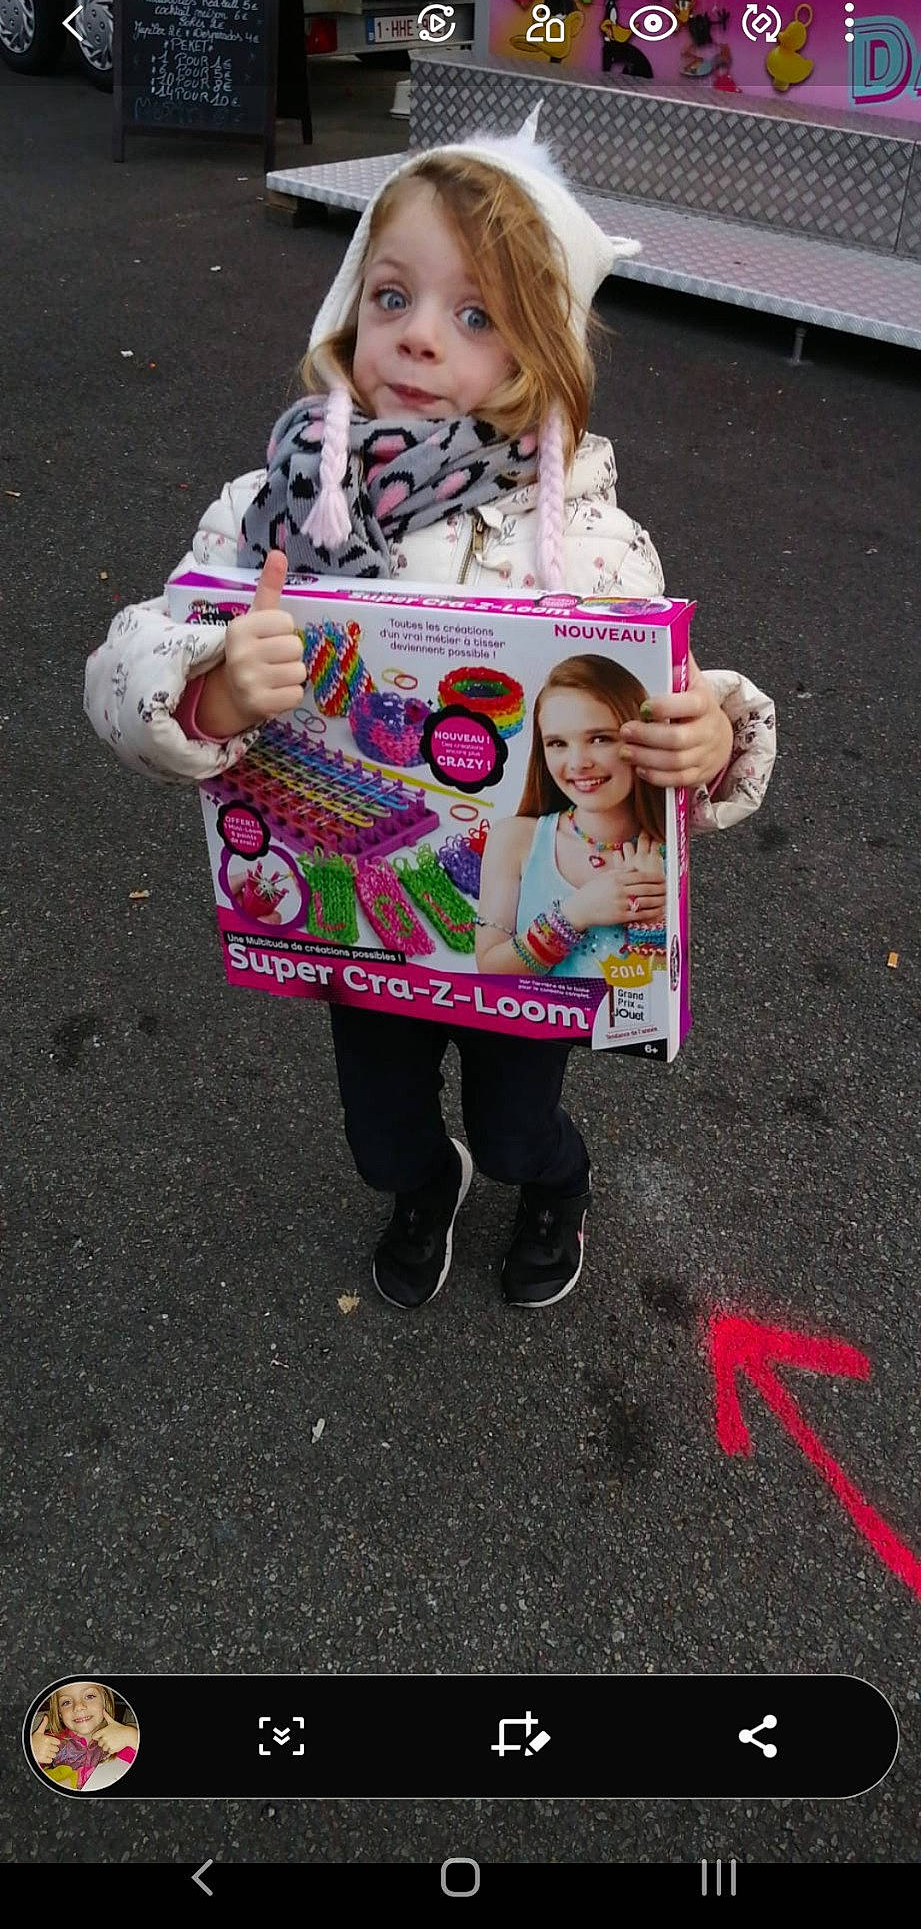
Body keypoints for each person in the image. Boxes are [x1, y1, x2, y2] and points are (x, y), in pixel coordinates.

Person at [84, 103, 776, 1311]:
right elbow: (121, 661)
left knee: (522, 1124)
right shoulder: (272, 511)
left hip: (530, 924)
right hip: (366, 928)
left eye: (473, 313)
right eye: (391, 294)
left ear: (532, 354)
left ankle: (549, 1180)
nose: (416, 337)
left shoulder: (588, 531)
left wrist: (706, 742)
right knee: (380, 1128)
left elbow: (669, 702)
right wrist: (200, 687)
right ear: (350, 308)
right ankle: (422, 1184)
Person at [477, 654, 668, 978]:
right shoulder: (515, 839)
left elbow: (659, 1000)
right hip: (531, 1024)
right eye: (558, 743)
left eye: (600, 738)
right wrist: (574, 913)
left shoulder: (668, 847)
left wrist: (648, 925)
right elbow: (491, 972)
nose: (578, 762)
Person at [31, 1683, 138, 1790]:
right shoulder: (52, 1742)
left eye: (89, 1696)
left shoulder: (118, 1739)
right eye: (66, 1702)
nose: (78, 1707)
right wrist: (33, 1752)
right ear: (59, 1712)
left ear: (105, 1700)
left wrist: (131, 1736)